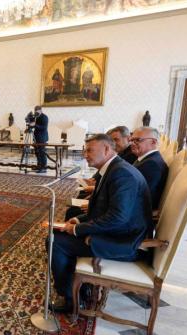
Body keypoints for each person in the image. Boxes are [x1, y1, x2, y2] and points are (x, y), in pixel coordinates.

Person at [52, 134, 153, 313]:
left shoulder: (122, 174)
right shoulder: (115, 169)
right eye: (85, 150)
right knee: (60, 232)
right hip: (119, 232)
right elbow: (105, 209)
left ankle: (71, 300)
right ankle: (81, 288)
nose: (85, 154)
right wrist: (79, 220)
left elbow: (117, 218)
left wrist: (77, 229)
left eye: (90, 150)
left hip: (124, 242)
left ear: (106, 150)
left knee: (55, 242)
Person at [130, 127, 168, 211]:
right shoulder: (145, 158)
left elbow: (139, 196)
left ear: (153, 142)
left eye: (137, 140)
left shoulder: (152, 164)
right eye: (131, 140)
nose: (132, 143)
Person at [33, 105, 49, 173]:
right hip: (36, 137)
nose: (36, 113)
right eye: (35, 111)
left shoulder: (44, 117)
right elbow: (36, 127)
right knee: (37, 152)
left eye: (37, 111)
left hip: (42, 137)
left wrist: (35, 125)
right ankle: (39, 165)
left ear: (40, 110)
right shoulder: (36, 117)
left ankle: (44, 168)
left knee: (42, 153)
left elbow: (43, 128)